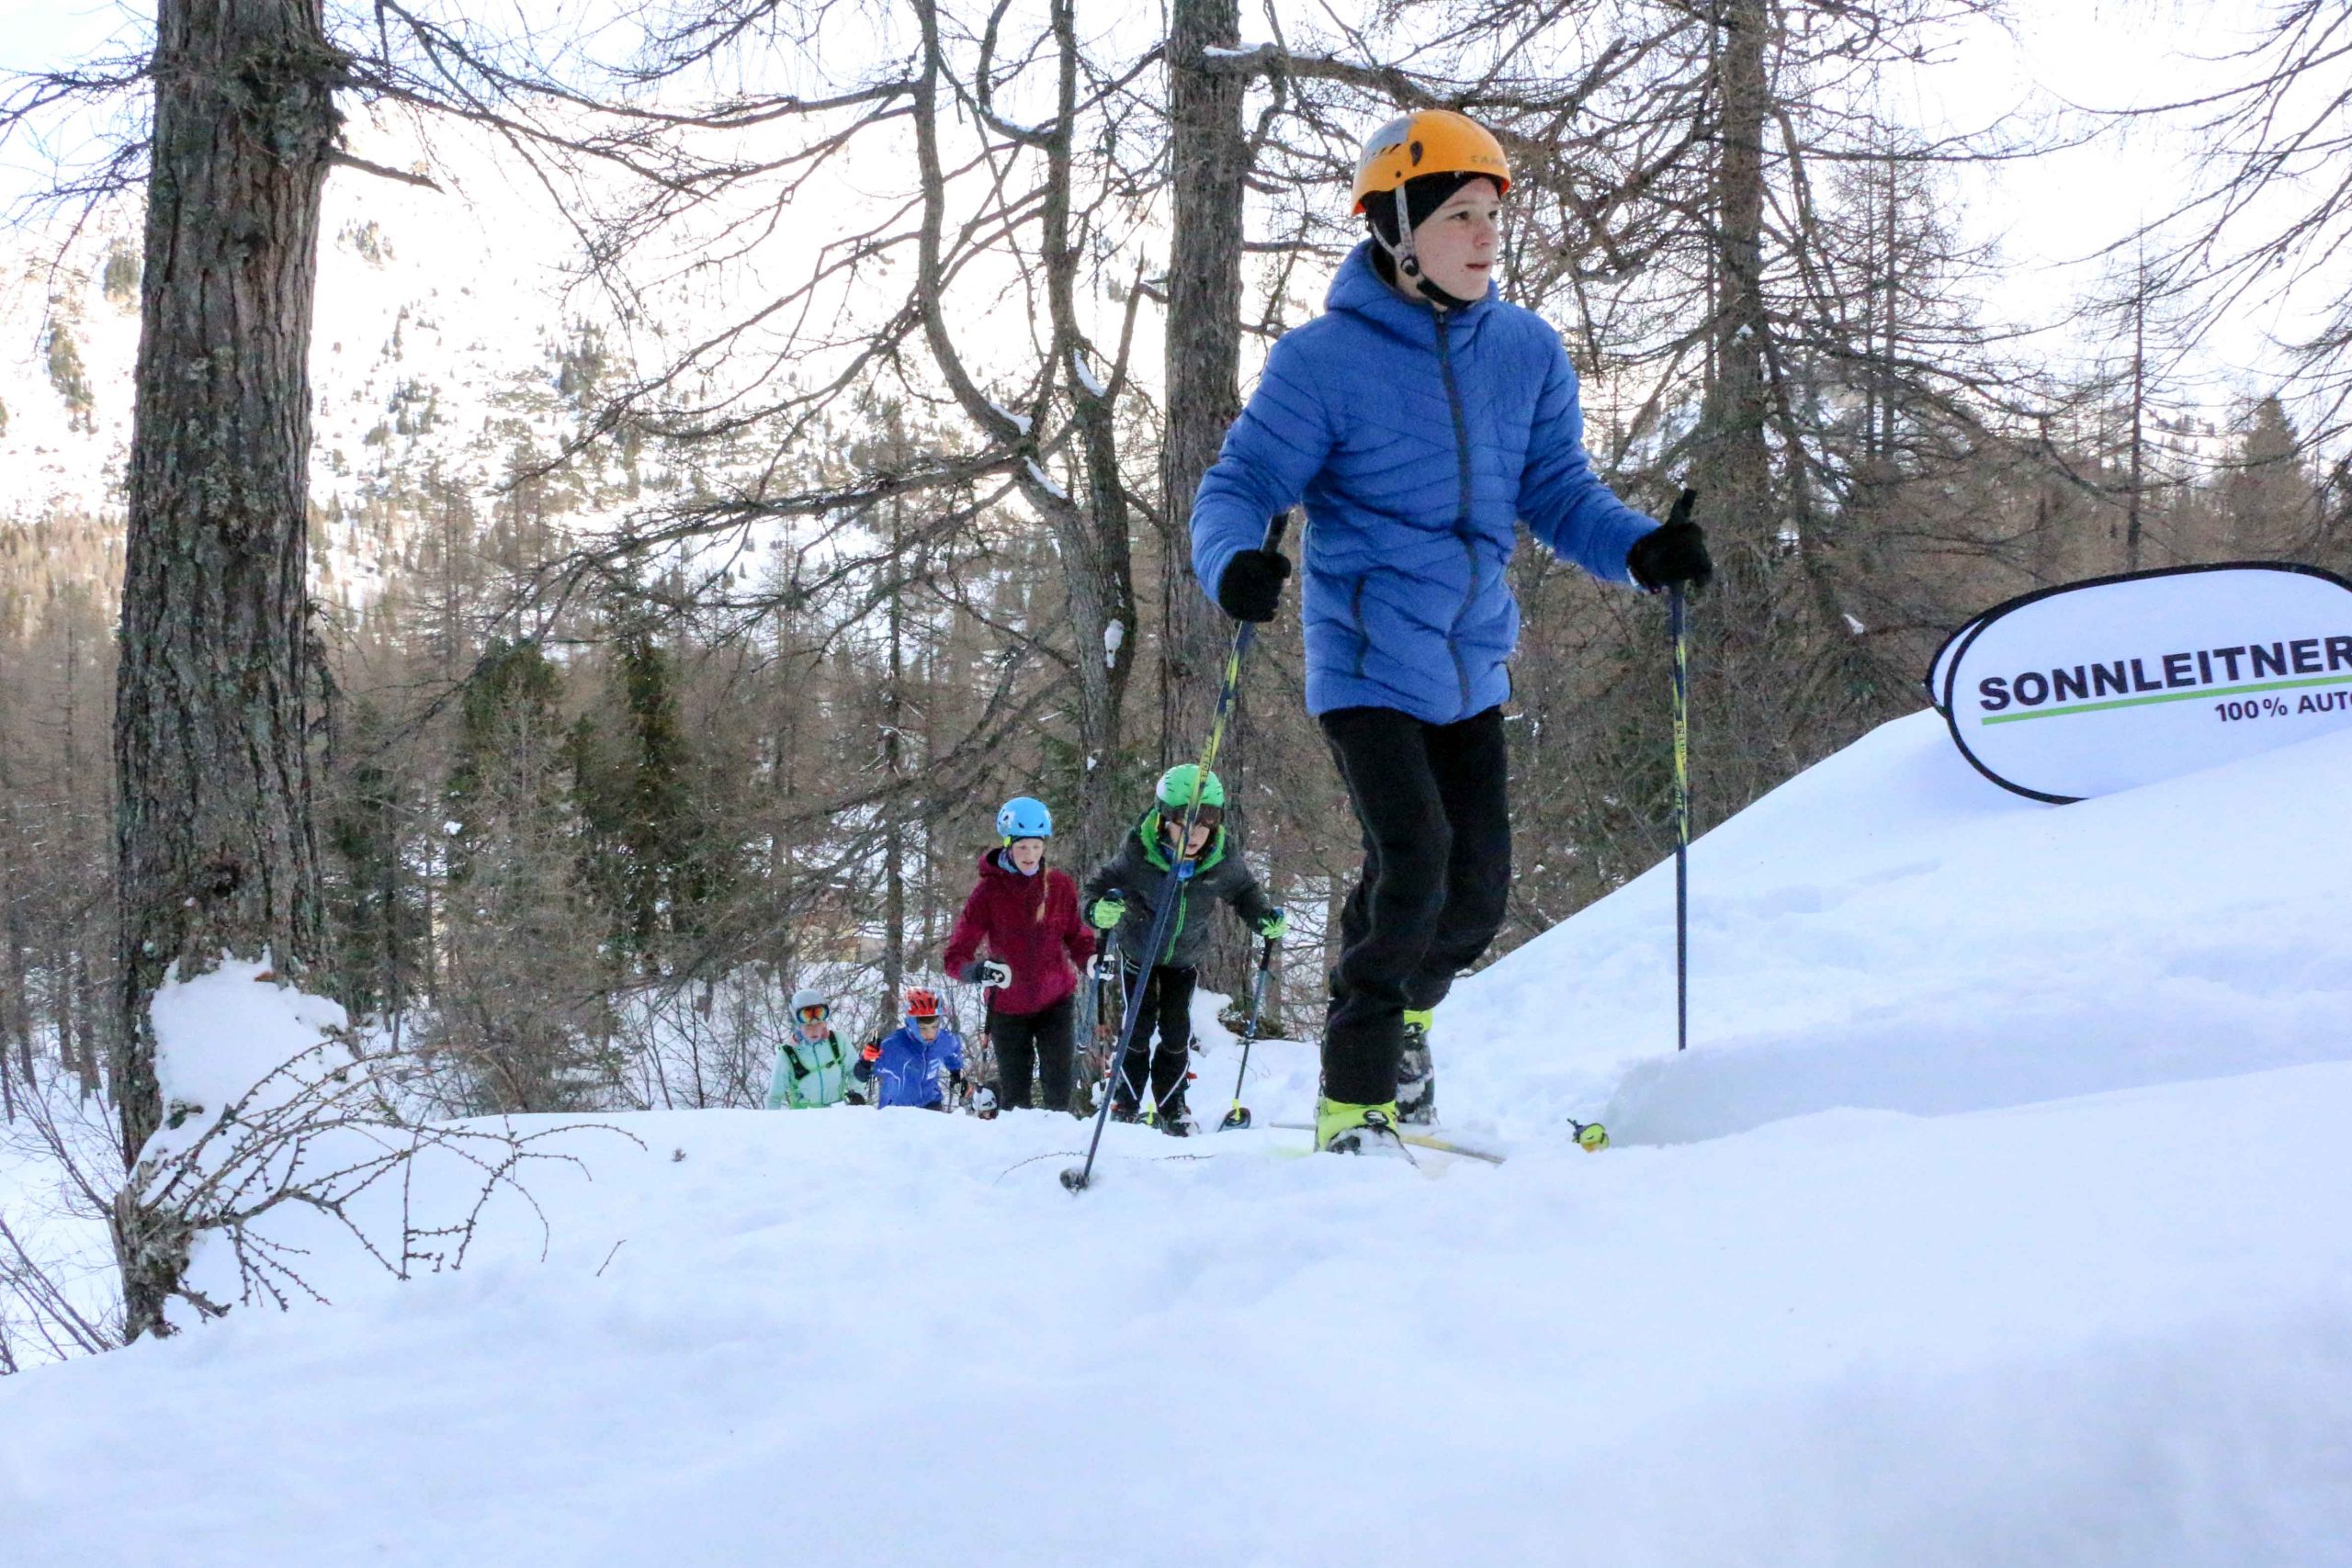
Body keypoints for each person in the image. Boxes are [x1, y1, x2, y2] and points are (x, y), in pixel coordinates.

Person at [1187, 109, 1713, 1155]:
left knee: (1474, 896)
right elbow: (1242, 481)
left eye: (1491, 217)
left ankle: (1409, 1030)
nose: (1484, 236)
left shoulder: (1523, 351)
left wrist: (1641, 549)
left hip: (1471, 661)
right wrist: (1232, 559)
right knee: (1414, 862)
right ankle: (1354, 1097)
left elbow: (1559, 491)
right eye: (1459, 216)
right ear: (1394, 228)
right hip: (1367, 658)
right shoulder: (1322, 361)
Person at [1082, 764, 1285, 1134]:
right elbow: (1097, 887)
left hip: (1183, 958)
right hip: (1138, 954)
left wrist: (1263, 918)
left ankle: (1172, 1106)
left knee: (1176, 1033)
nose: (1194, 834)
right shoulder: (1139, 853)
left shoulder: (1221, 858)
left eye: (1205, 825)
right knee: (1137, 1029)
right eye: (1184, 823)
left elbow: (1244, 892)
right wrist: (1099, 909)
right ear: (1163, 820)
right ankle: (1125, 1103)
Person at [941, 796, 1094, 1112]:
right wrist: (979, 971)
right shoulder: (988, 892)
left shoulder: (1059, 885)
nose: (1030, 855)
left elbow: (1076, 935)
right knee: (1016, 1099)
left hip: (1056, 1001)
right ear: (1008, 845)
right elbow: (955, 956)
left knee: (1058, 1091)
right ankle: (1020, 1155)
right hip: (1008, 1007)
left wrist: (1090, 959)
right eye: (1023, 847)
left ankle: (1059, 1151)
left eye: (1036, 847)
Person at [854, 987, 967, 1111]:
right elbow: (861, 1076)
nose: (930, 1034)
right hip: (897, 1112)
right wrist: (866, 1062)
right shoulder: (894, 1046)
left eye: (934, 1027)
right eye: (923, 1028)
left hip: (931, 1106)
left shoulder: (944, 1040)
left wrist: (957, 1072)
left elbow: (953, 1050)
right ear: (910, 1024)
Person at [765, 985, 862, 1109]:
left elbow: (855, 1073)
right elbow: (774, 1096)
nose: (815, 1031)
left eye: (819, 1024)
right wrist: (773, 1125)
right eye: (809, 1027)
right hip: (804, 1119)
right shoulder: (788, 1053)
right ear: (798, 1026)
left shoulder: (838, 1041)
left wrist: (857, 1095)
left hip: (837, 1115)